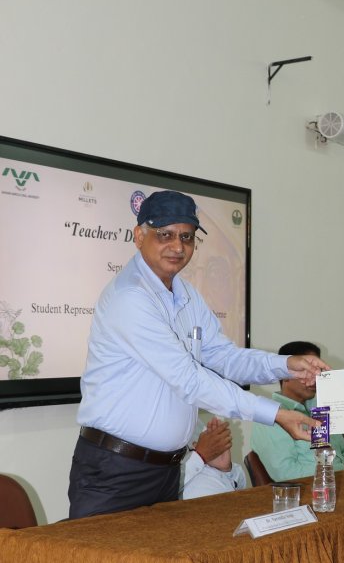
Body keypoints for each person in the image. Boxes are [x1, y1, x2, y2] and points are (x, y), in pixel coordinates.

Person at [69, 190, 326, 519]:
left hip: (167, 471)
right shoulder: (129, 298)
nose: (177, 247)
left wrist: (288, 366)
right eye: (165, 235)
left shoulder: (186, 294)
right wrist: (277, 414)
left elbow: (224, 357)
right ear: (138, 236)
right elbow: (190, 380)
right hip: (115, 472)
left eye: (186, 237)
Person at [251, 341, 344, 481]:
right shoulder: (270, 417)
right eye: (306, 371)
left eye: (317, 371)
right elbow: (287, 474)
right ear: (284, 374)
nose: (314, 379)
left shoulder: (321, 408)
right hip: (311, 493)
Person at [181, 417, 245, 499]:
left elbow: (240, 483)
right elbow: (162, 491)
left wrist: (226, 470)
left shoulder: (191, 419)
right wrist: (199, 457)